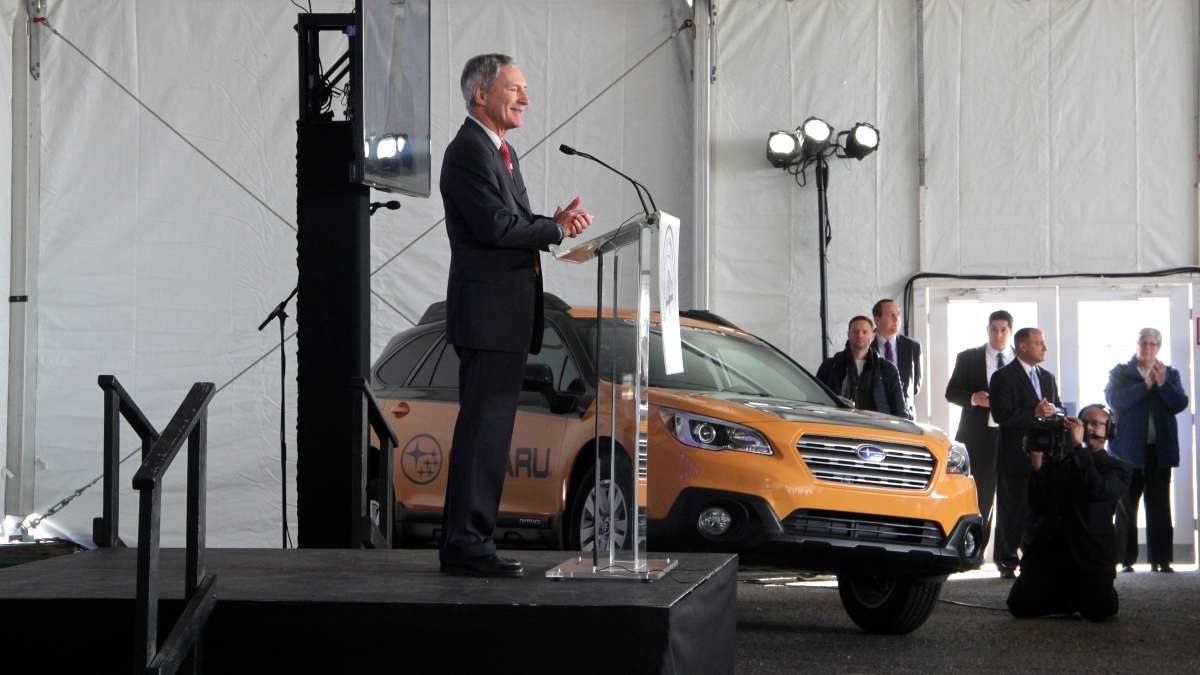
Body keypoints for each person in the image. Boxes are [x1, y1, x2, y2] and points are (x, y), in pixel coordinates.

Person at [438, 53, 592, 577]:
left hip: (504, 316)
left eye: (525, 89)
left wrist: (554, 220)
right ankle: (465, 545)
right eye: (515, 89)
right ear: (480, 94)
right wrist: (553, 232)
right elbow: (496, 228)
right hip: (486, 317)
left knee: (491, 434)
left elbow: (517, 220)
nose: (525, 99)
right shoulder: (467, 152)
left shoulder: (503, 152)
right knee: (481, 433)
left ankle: (472, 539)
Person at [1007, 404, 1132, 622]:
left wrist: (1077, 449)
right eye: (1085, 423)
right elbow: (1038, 503)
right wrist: (1036, 462)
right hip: (1055, 549)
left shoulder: (1118, 468)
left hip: (1091, 552)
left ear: (1110, 429)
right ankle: (1068, 597)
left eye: (1096, 423)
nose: (1089, 428)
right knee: (1020, 606)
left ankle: (1074, 596)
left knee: (1100, 611)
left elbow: (1098, 489)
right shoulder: (1062, 463)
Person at [1105, 327, 1188, 574]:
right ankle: (1126, 559)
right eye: (1144, 342)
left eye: (1153, 344)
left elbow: (1179, 403)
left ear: (1158, 347)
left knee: (1160, 507)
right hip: (1127, 452)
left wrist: (1161, 384)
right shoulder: (1121, 372)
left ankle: (1161, 559)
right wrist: (1146, 385)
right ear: (1137, 344)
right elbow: (1115, 400)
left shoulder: (1169, 374)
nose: (1148, 347)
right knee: (1127, 507)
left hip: (1159, 451)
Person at [988, 327, 1061, 579]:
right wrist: (1034, 413)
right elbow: (1001, 415)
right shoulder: (1003, 377)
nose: (1044, 348)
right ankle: (1007, 560)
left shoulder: (1048, 377)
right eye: (1039, 343)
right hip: (1014, 454)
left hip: (1044, 454)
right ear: (1022, 346)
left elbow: (1057, 409)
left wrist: (1055, 412)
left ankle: (1034, 557)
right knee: (1011, 507)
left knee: (1038, 507)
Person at [944, 310, 1014, 538]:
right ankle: (975, 550)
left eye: (1003, 330)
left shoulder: (1020, 361)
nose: (998, 334)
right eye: (994, 329)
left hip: (1012, 437)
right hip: (978, 437)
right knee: (979, 497)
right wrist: (974, 398)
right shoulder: (968, 357)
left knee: (1011, 498)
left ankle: (1007, 556)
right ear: (987, 330)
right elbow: (951, 392)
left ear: (1010, 332)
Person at [816, 316, 910, 419]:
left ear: (873, 336)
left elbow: (900, 410)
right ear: (848, 334)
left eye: (864, 332)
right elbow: (816, 401)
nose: (859, 335)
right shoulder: (830, 366)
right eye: (855, 332)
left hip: (877, 429)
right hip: (839, 427)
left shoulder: (887, 369)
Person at [872, 299, 922, 414]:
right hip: (874, 415)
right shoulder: (866, 345)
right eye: (891, 315)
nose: (896, 319)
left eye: (898, 314)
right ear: (877, 320)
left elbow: (915, 386)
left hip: (905, 415)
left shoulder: (913, 347)